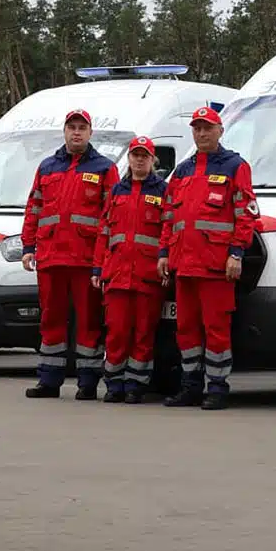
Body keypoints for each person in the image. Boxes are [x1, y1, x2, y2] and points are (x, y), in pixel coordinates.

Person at [159, 106, 256, 410]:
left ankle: (217, 387)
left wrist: (236, 253)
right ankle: (190, 386)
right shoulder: (184, 169)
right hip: (184, 265)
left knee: (216, 328)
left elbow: (246, 213)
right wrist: (164, 252)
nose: (201, 133)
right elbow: (169, 214)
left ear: (220, 131)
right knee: (185, 328)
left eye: (207, 128)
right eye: (197, 129)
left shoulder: (235, 166)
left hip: (216, 266)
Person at [21, 110, 118, 400]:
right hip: (50, 257)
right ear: (64, 131)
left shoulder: (105, 168)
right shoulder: (47, 167)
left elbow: (111, 215)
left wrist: (104, 260)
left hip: (86, 259)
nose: (76, 133)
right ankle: (49, 381)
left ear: (90, 133)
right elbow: (34, 207)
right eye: (71, 127)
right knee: (50, 319)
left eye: (82, 128)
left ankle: (87, 383)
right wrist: (28, 246)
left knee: (88, 321)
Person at [94, 136, 167, 404]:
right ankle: (114, 384)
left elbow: (167, 231)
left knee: (143, 334)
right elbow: (104, 232)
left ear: (152, 160)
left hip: (148, 276)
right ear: (129, 158)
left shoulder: (163, 191)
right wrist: (98, 268)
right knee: (116, 332)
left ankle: (136, 385)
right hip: (117, 275)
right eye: (135, 155)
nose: (139, 159)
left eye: (144, 155)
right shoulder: (116, 191)